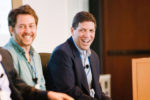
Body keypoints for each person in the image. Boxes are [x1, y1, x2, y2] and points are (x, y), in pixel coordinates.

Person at [47, 11, 111, 100]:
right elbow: (70, 92)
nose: (87, 35)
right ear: (72, 31)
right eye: (82, 30)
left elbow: (97, 90)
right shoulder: (61, 53)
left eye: (91, 31)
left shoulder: (94, 56)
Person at [0, 47, 74, 100]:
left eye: (31, 25)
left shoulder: (4, 54)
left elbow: (21, 88)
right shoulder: (10, 52)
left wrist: (48, 95)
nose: (28, 30)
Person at [4, 5, 45, 90]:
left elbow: (42, 88)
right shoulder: (6, 56)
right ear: (11, 30)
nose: (28, 31)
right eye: (22, 26)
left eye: (31, 26)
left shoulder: (35, 56)